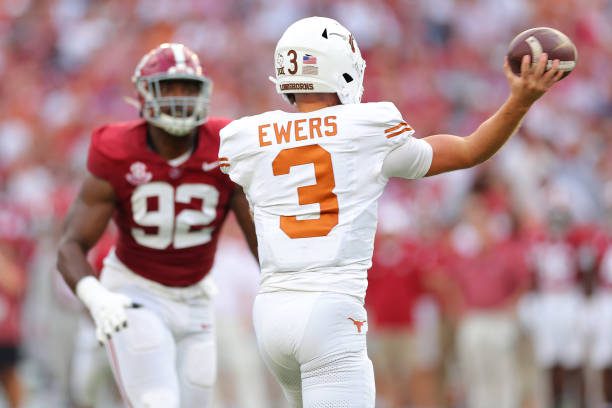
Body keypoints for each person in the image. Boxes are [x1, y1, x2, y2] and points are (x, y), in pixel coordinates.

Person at [218, 16, 564, 407]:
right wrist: (520, 100)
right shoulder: (367, 126)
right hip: (330, 310)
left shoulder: (247, 136)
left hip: (271, 314)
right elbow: (470, 150)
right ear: (341, 68)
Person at [57, 43, 257, 408]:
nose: (180, 97)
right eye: (170, 87)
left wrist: (284, 287)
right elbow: (70, 245)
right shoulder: (117, 149)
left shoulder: (226, 147)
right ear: (145, 94)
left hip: (197, 298)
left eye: (189, 88)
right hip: (136, 292)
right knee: (157, 402)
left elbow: (258, 236)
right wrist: (96, 296)